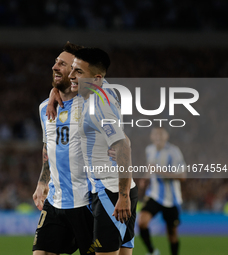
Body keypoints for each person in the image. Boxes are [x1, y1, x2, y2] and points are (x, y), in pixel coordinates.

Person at [68, 47, 138, 255]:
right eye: (72, 69)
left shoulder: (98, 104)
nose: (71, 75)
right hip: (119, 189)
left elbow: (123, 145)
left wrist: (122, 196)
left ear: (96, 78)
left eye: (78, 72)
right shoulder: (102, 88)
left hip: (110, 192)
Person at [32, 42, 95, 255]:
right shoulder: (44, 108)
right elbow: (47, 147)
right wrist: (42, 181)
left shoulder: (91, 103)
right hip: (55, 201)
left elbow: (103, 84)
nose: (54, 66)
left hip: (86, 203)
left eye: (62, 64)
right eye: (55, 62)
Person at [138, 126, 186, 255]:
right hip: (154, 194)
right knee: (142, 222)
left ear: (166, 136)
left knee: (172, 233)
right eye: (155, 133)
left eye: (161, 133)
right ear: (151, 136)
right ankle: (152, 251)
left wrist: (161, 172)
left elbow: (182, 176)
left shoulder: (174, 152)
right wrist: (145, 178)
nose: (158, 136)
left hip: (171, 198)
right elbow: (150, 168)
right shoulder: (149, 150)